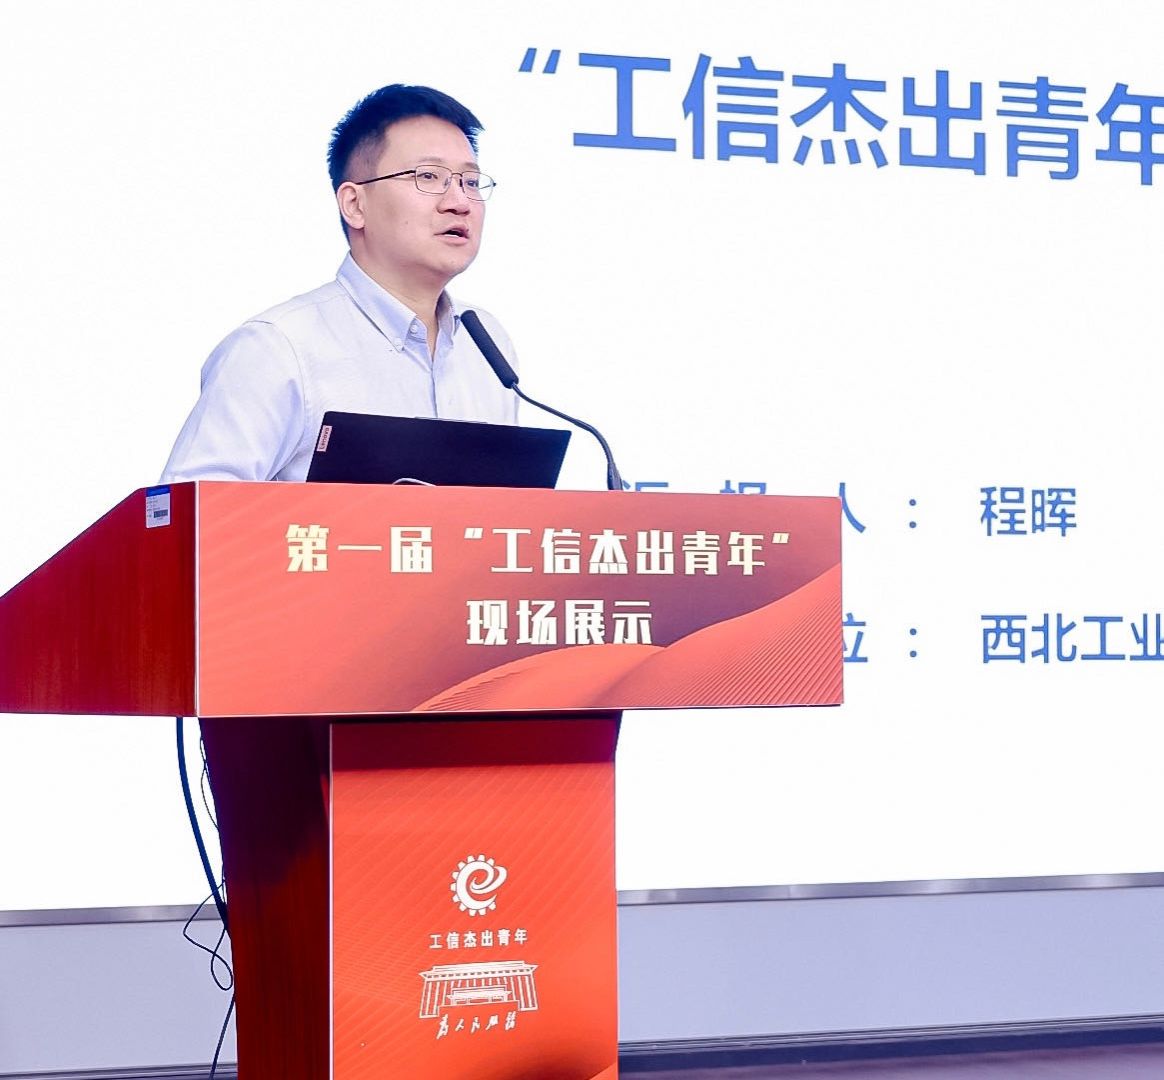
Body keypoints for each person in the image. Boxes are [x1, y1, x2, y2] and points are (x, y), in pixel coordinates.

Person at [161, 84, 517, 482]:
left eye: (470, 181)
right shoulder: (278, 348)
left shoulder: (487, 347)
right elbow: (192, 506)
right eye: (428, 176)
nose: (459, 202)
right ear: (354, 204)